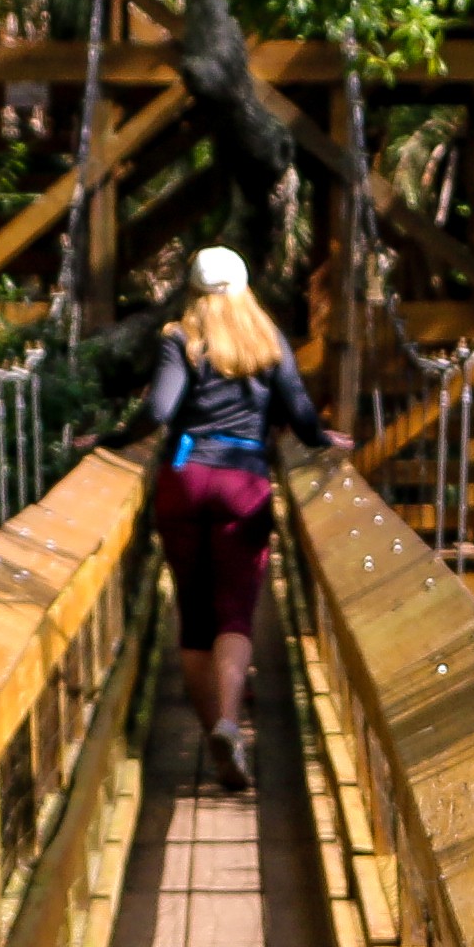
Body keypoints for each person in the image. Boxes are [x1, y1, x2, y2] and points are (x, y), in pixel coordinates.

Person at [108, 247, 327, 792]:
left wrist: (112, 438)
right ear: (246, 287)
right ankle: (231, 722)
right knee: (235, 614)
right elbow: (300, 413)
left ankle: (214, 734)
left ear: (195, 292)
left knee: (195, 616)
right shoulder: (268, 340)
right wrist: (325, 441)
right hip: (243, 481)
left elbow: (158, 410)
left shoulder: (181, 340)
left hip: (185, 477)